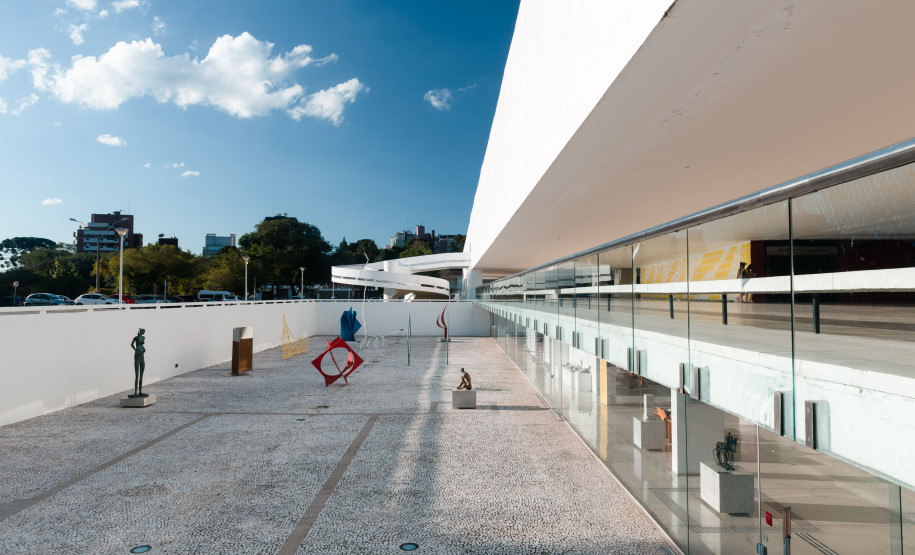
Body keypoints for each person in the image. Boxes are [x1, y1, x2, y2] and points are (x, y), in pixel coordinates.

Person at [130, 328, 147, 398]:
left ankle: (140, 392)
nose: (144, 332)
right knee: (137, 375)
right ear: (140, 331)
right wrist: (135, 349)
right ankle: (135, 392)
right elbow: (131, 344)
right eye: (143, 331)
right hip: (137, 356)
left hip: (142, 356)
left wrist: (144, 349)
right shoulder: (136, 338)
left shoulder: (143, 337)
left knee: (141, 376)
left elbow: (141, 345)